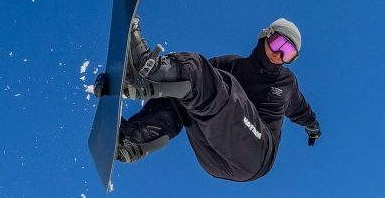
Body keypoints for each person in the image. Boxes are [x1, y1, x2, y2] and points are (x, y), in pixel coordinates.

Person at [115, 17, 320, 182]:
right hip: (213, 157)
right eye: (278, 43)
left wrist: (313, 127)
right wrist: (114, 86)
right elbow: (197, 76)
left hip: (256, 153)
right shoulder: (232, 64)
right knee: (184, 90)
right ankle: (135, 138)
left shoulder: (286, 82)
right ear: (265, 36)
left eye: (288, 53)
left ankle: (145, 70)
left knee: (212, 81)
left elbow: (302, 110)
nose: (278, 54)